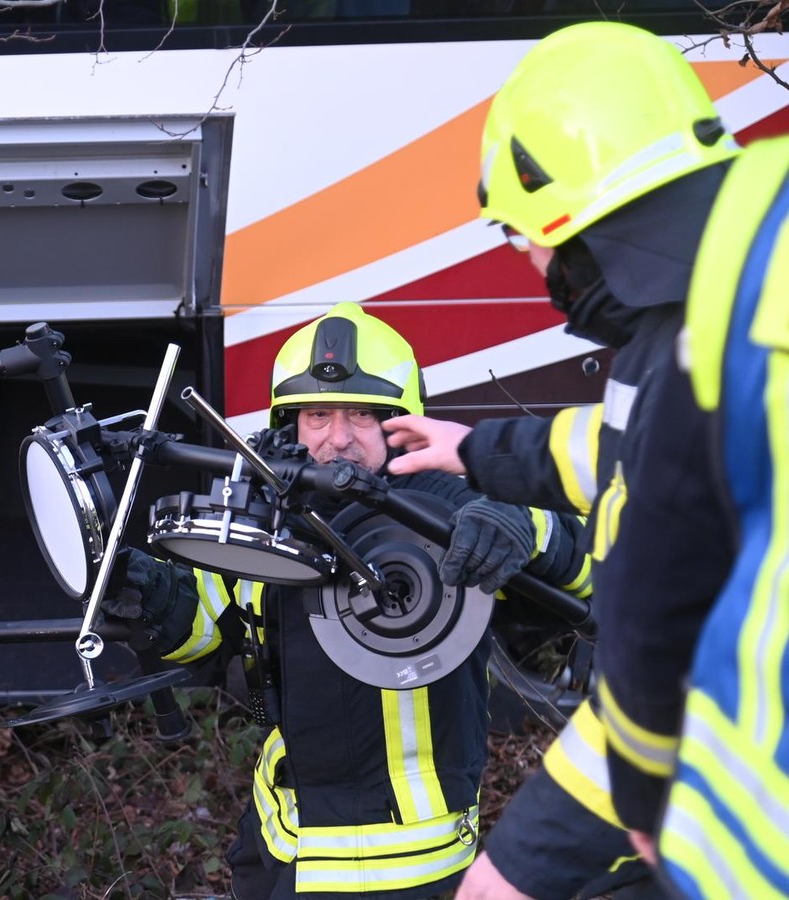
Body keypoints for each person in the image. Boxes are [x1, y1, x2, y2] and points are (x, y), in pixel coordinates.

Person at [380, 22, 746, 899]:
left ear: (573, 208)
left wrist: (653, 789)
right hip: (649, 735)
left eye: (520, 232)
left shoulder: (736, 343)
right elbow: (618, 451)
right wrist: (472, 452)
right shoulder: (677, 332)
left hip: (728, 766)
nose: (530, 261)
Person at [107, 301, 589, 899]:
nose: (338, 438)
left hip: (406, 865)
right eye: (318, 415)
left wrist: (524, 521)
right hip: (279, 843)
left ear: (402, 423)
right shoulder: (267, 511)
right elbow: (208, 628)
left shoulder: (447, 507)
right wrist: (144, 590)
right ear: (290, 424)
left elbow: (589, 568)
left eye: (362, 414)